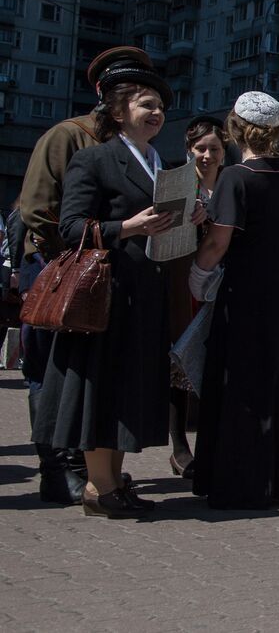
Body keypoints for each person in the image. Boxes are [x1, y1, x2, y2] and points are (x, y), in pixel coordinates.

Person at [32, 62, 183, 517]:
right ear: (118, 112)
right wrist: (127, 227)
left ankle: (109, 485)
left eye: (160, 107)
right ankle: (101, 486)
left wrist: (188, 219)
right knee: (103, 389)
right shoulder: (94, 158)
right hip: (107, 293)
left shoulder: (161, 162)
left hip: (145, 291)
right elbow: (71, 225)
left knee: (124, 390)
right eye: (146, 104)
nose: (157, 113)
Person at [16, 45, 153, 505]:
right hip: (66, 273)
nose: (151, 104)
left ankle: (100, 476)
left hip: (123, 280)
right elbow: (41, 210)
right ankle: (58, 467)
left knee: (108, 381)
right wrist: (80, 267)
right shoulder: (68, 137)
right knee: (54, 376)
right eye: (135, 93)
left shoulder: (150, 155)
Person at [190, 94, 279, 509]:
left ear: (234, 130)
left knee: (240, 382)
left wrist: (198, 275)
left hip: (243, 291)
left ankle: (239, 481)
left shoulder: (235, 177)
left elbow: (219, 241)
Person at [166, 114, 227, 480]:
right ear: (189, 151)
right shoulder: (179, 185)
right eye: (200, 148)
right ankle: (178, 445)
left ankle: (210, 443)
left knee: (214, 363)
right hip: (185, 282)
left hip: (222, 285)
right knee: (181, 360)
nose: (207, 155)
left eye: (214, 148)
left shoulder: (232, 183)